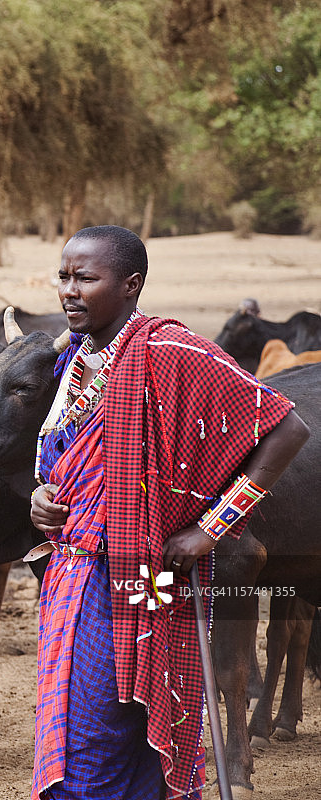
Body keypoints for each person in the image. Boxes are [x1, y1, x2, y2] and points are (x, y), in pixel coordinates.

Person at [29, 225, 309, 800]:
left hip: (139, 577)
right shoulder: (78, 361)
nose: (70, 291)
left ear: (130, 284)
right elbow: (64, 463)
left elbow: (287, 427)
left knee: (102, 731)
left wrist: (211, 528)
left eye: (86, 278)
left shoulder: (172, 351)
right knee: (83, 728)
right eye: (64, 277)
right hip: (71, 577)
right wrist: (42, 498)